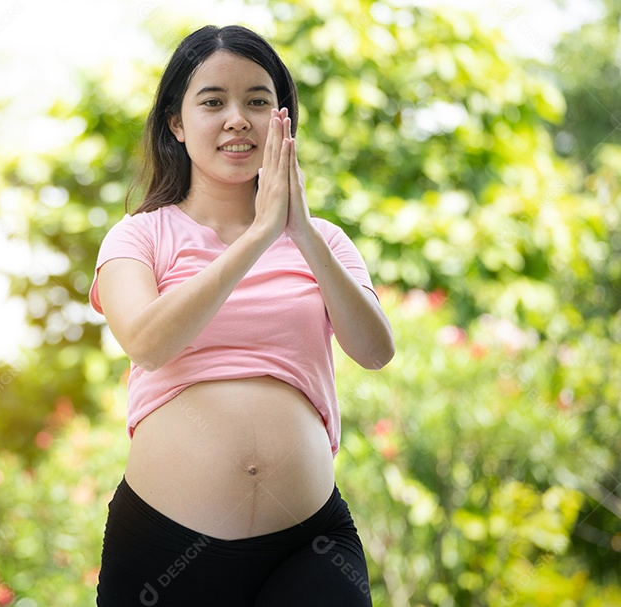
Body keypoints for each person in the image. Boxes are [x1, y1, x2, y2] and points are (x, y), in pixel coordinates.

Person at [88, 24, 395, 606]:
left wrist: (300, 233)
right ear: (176, 123)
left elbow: (376, 351)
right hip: (163, 547)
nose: (238, 119)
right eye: (213, 102)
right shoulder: (138, 236)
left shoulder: (324, 240)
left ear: (283, 121)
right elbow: (147, 343)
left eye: (257, 101)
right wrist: (257, 236)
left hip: (308, 545)